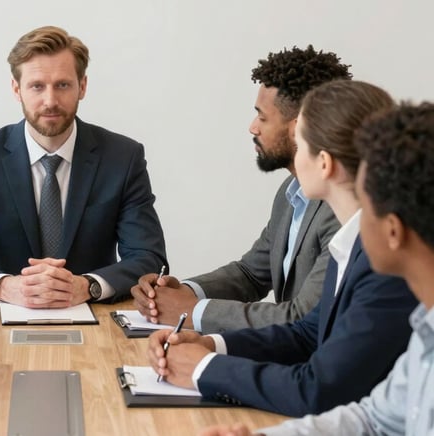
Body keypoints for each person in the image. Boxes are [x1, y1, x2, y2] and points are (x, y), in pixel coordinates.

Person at [147, 80, 418, 417]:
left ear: (324, 163)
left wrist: (204, 369)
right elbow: (307, 333)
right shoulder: (350, 240)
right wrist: (211, 345)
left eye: (299, 142)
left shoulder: (386, 262)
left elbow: (321, 388)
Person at [199, 103, 434, 436]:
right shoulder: (425, 328)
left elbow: (323, 388)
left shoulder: (391, 288)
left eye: (365, 206)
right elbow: (373, 419)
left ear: (393, 232)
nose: (354, 221)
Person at [0, 25, 167, 307]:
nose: (50, 101)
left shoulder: (123, 157)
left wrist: (88, 286)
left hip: (96, 320)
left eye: (63, 85)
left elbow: (149, 258)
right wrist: (7, 287)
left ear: (83, 86)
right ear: (16, 89)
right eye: (37, 86)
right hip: (2, 321)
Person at [132, 46, 349, 333]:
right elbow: (251, 274)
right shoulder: (291, 192)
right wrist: (185, 291)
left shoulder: (342, 209)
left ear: (297, 127)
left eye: (262, 117)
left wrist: (192, 311)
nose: (252, 128)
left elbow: (302, 317)